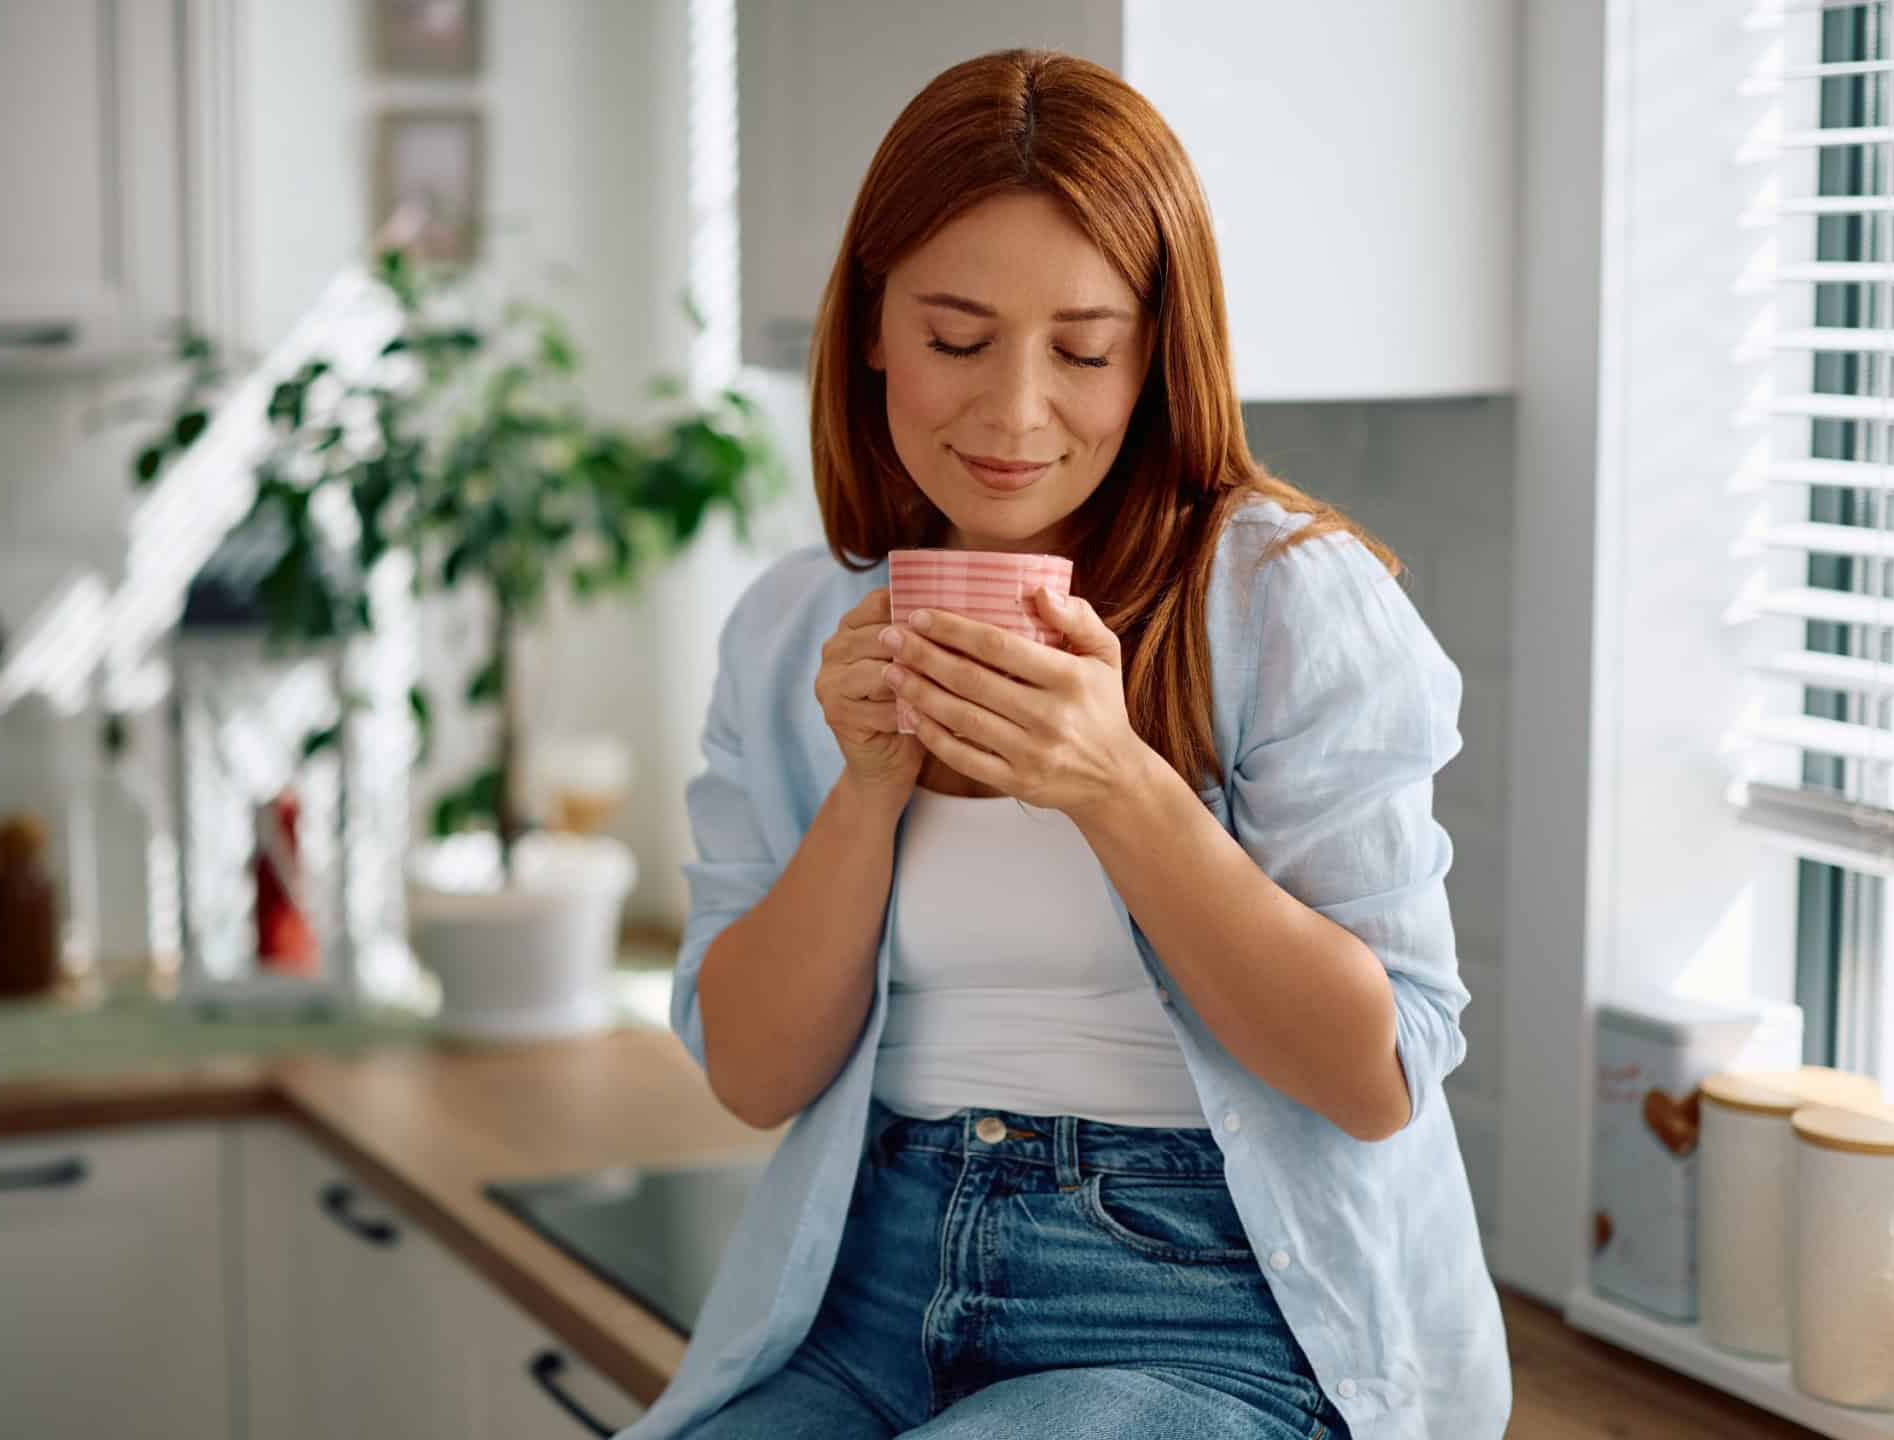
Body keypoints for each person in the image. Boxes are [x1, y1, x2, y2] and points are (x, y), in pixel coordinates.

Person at [625, 49, 1509, 1440]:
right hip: (866, 1289)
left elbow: (1379, 1070)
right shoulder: (792, 629)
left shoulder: (1282, 600)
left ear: (1156, 354)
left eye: (1085, 350)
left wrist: (1117, 782)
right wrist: (868, 791)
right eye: (957, 340)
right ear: (868, 327)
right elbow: (752, 1076)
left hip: (1200, 1314)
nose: (1015, 412)